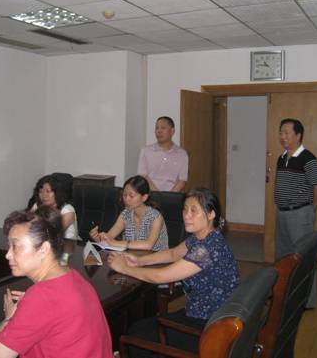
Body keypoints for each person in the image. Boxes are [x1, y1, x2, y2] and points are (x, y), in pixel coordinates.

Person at [107, 188, 239, 356]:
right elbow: (173, 253)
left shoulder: (206, 249)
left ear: (211, 214)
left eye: (193, 210)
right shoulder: (204, 237)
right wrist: (139, 260)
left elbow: (160, 276)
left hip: (209, 326)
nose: (186, 215)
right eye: (185, 209)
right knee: (140, 326)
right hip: (205, 313)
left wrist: (124, 268)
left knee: (135, 333)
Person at [0, 208, 113, 358]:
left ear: (43, 249)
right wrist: (30, 309)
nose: (8, 255)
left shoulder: (42, 297)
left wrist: (9, 318)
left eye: (15, 246)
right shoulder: (72, 275)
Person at [274, 118, 317, 308]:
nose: (283, 136)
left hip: (300, 214)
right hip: (282, 214)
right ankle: (283, 295)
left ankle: (307, 301)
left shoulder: (308, 159)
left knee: (303, 258)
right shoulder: (282, 158)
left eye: (287, 133)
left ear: (298, 135)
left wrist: (312, 208)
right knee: (283, 257)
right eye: (281, 132)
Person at [89, 175, 169, 251]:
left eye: (131, 196)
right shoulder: (126, 214)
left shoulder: (155, 217)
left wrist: (115, 243)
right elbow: (109, 238)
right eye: (124, 195)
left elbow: (148, 245)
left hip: (156, 259)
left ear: (144, 197)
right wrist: (99, 238)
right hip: (132, 257)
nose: (126, 199)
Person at [137, 116, 188, 192]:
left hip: (172, 195)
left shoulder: (182, 154)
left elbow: (182, 179)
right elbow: (143, 175)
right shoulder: (146, 151)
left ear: (172, 131)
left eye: (163, 128)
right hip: (150, 193)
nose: (159, 131)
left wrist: (170, 195)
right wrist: (157, 194)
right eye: (157, 128)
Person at [28, 174, 78, 240]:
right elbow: (27, 225)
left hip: (66, 244)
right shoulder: (37, 205)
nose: (44, 195)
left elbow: (54, 232)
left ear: (57, 193)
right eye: (40, 191)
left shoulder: (68, 210)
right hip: (41, 241)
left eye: (48, 191)